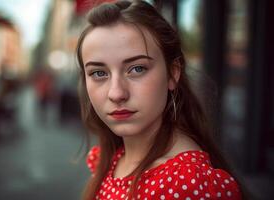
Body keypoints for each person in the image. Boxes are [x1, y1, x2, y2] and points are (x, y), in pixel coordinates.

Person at [76, 1, 243, 199]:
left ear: (172, 74)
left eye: (137, 69)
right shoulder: (114, 157)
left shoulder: (188, 185)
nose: (116, 93)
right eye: (98, 73)